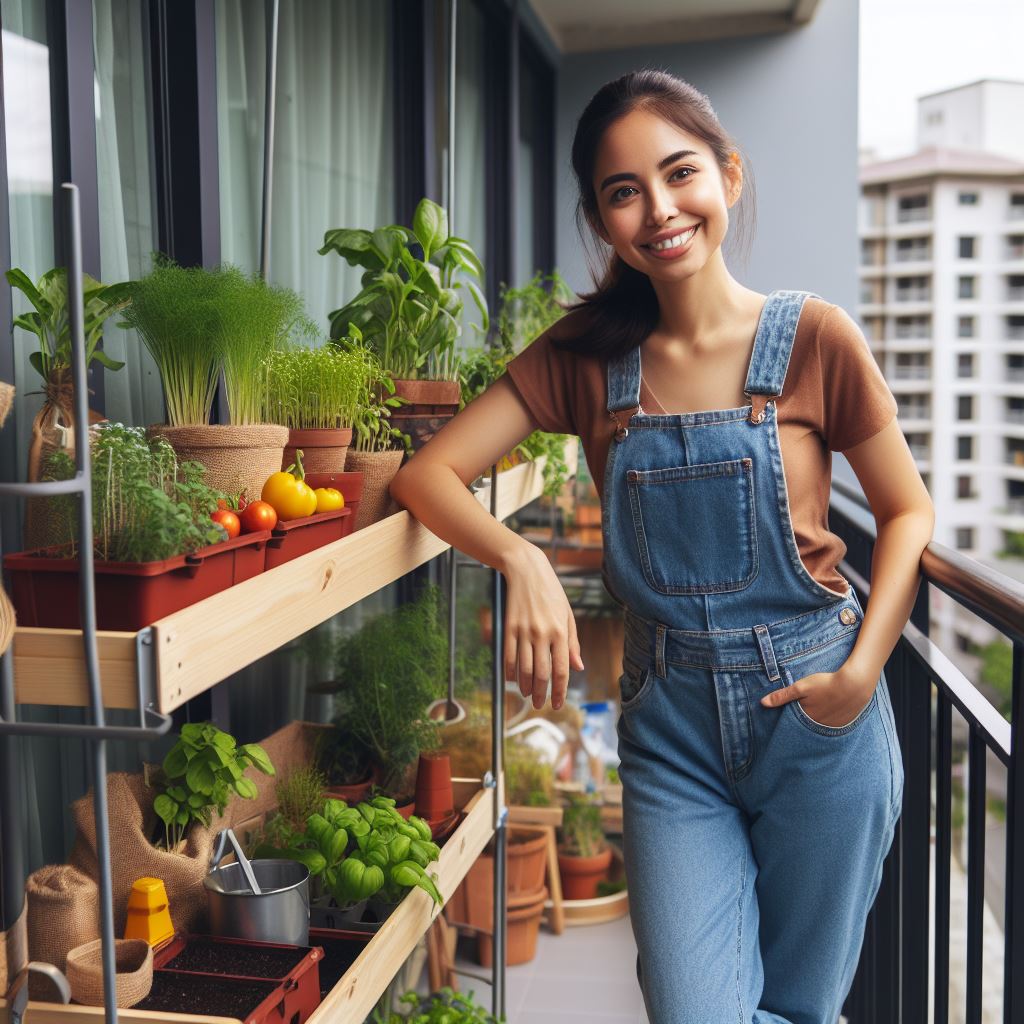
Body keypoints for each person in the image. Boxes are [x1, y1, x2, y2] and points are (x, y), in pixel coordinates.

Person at [391, 69, 935, 1024]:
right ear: (602, 221)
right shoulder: (585, 357)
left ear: (727, 174)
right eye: (622, 191)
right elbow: (426, 475)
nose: (659, 209)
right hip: (671, 728)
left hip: (820, 713)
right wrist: (519, 558)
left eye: (679, 173)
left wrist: (860, 677)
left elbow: (907, 514)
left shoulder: (814, 337)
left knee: (803, 1006)